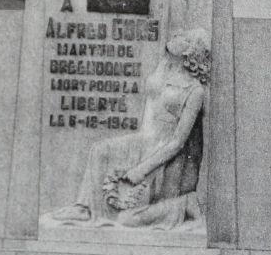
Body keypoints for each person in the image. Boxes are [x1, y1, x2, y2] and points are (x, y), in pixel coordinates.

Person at [48, 28, 209, 230]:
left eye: (182, 36)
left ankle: (184, 204)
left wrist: (142, 169)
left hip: (165, 154)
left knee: (128, 219)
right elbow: (150, 110)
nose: (175, 35)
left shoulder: (195, 90)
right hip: (145, 140)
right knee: (100, 149)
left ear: (191, 51)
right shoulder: (165, 71)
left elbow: (177, 142)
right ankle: (84, 207)